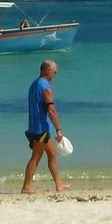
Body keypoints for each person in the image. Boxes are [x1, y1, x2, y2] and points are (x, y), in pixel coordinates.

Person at [21, 58, 69, 194]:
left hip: (36, 127)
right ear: (48, 71)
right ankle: (26, 187)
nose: (56, 74)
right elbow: (51, 110)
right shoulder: (46, 88)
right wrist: (59, 129)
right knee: (36, 156)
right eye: (55, 72)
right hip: (41, 128)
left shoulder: (34, 85)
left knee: (52, 153)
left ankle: (59, 184)